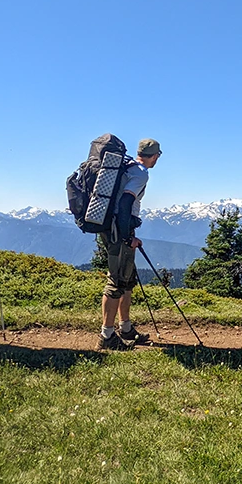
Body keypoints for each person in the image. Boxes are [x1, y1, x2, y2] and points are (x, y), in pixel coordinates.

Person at [99, 138, 162, 350]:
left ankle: (125, 329)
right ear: (153, 156)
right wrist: (127, 237)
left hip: (113, 227)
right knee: (116, 282)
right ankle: (107, 336)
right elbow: (126, 202)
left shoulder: (126, 167)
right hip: (120, 229)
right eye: (158, 156)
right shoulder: (141, 172)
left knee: (126, 280)